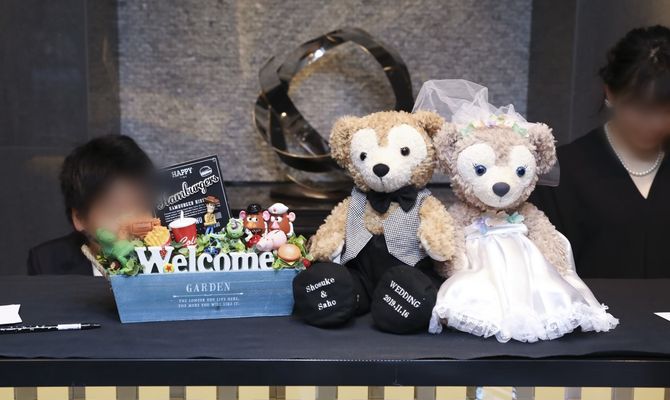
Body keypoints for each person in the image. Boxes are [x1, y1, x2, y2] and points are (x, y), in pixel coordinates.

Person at [532, 25, 670, 278]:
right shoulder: (561, 173)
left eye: (666, 110)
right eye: (640, 108)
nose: (655, 123)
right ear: (610, 92)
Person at [27, 135, 155, 275]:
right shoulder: (48, 263)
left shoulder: (170, 254)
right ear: (79, 218)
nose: (131, 223)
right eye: (114, 211)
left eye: (141, 206)